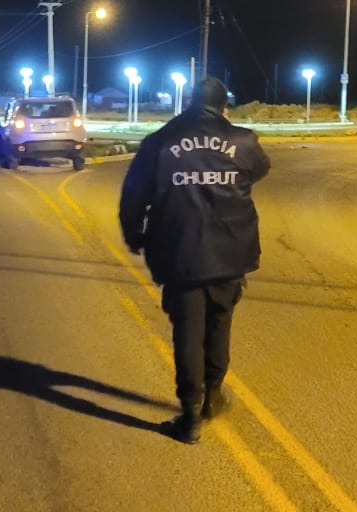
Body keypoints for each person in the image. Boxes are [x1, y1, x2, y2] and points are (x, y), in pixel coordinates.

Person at [118, 77, 270, 444]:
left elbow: (133, 197)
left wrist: (135, 236)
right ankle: (213, 395)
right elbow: (258, 169)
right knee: (219, 324)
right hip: (230, 252)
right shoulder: (243, 141)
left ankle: (190, 416)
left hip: (178, 252)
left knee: (187, 331)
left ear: (189, 103)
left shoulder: (159, 142)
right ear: (224, 108)